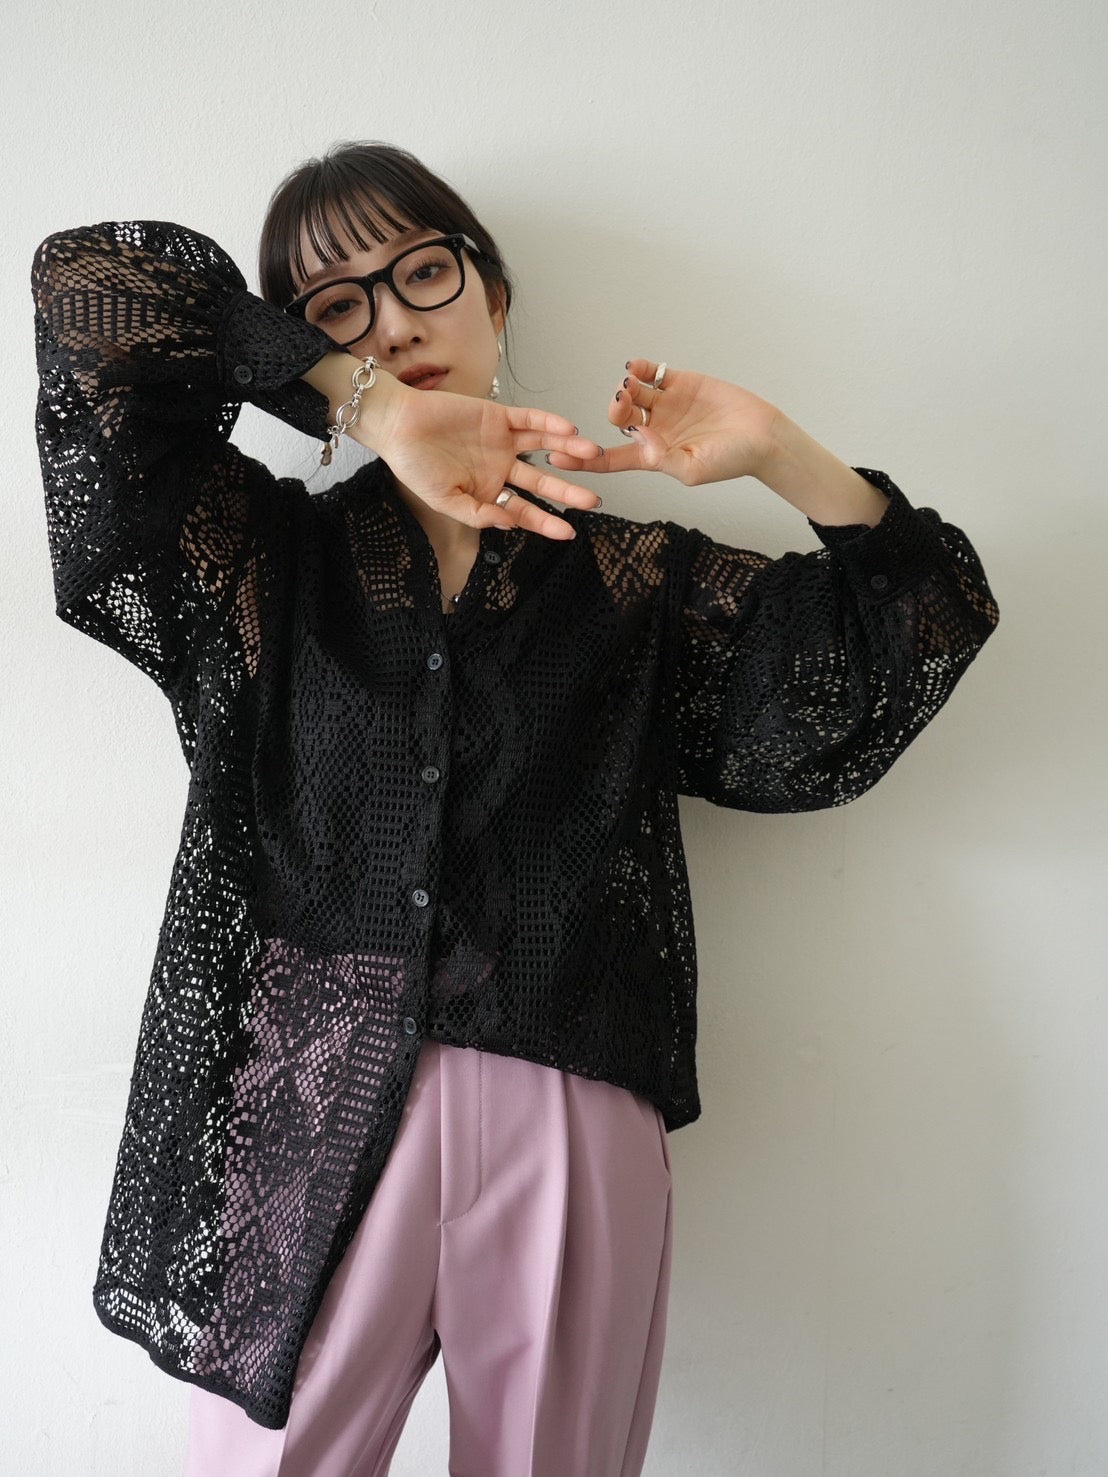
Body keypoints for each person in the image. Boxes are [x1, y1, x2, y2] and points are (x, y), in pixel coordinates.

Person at [30, 141, 998, 1477]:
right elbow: (92, 290)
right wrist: (364, 403)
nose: (393, 321)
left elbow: (908, 635)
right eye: (338, 305)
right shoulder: (256, 564)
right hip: (305, 1093)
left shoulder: (632, 588)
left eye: (422, 273)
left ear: (492, 292)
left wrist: (782, 451)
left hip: (568, 1103)